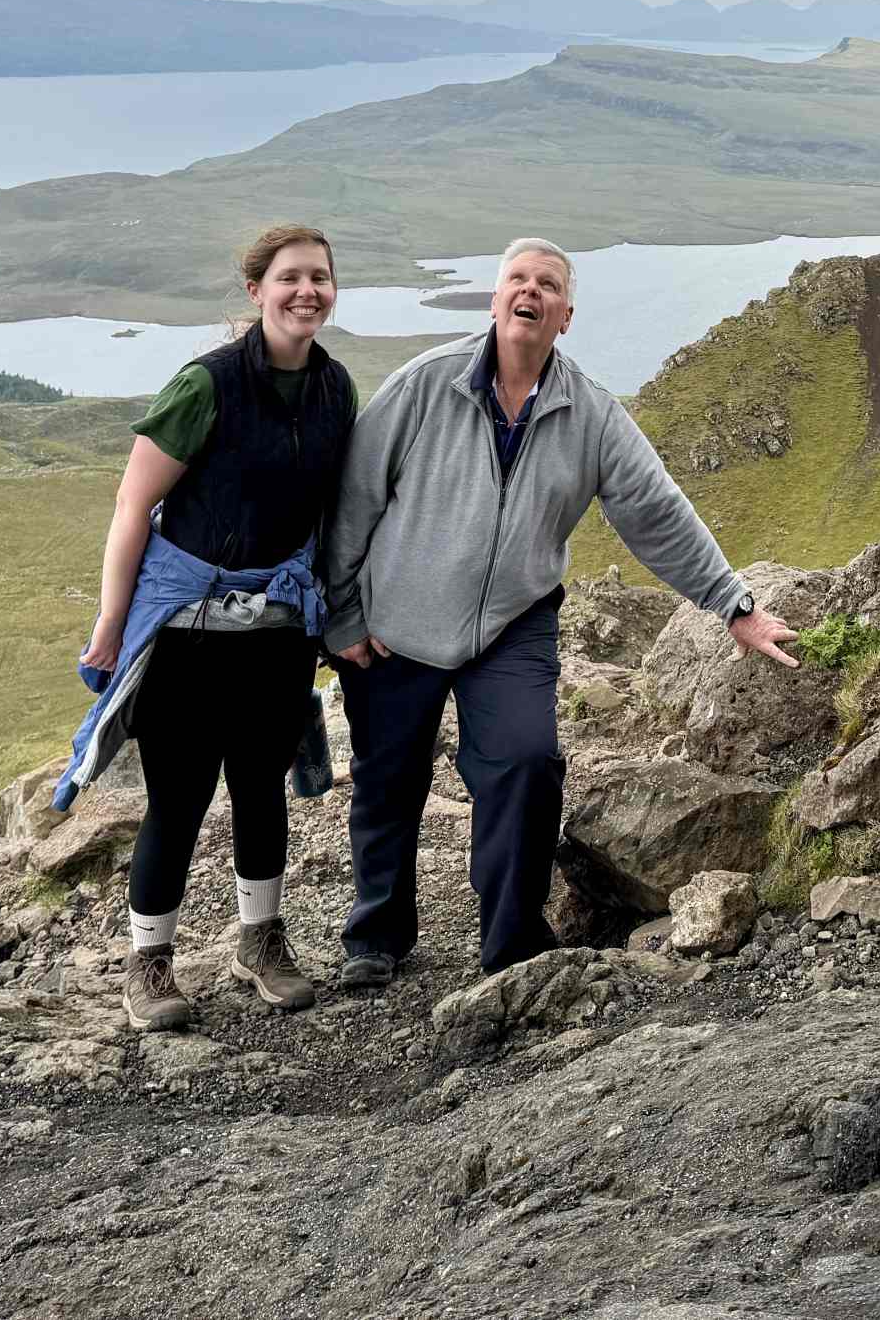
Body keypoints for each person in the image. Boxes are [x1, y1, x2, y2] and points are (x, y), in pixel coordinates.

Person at [323, 235, 797, 986]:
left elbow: (656, 511)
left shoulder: (591, 414)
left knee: (525, 762)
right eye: (517, 278)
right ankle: (376, 935)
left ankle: (510, 945)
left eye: (547, 285)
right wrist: (341, 615)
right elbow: (353, 499)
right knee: (389, 776)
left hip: (512, 624)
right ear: (495, 299)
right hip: (398, 622)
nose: (530, 292)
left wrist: (733, 604)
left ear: (565, 316)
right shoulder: (424, 385)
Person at [53, 225, 356, 1033]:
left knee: (262, 789)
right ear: (256, 289)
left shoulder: (334, 389)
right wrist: (113, 622)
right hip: (187, 632)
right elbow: (132, 504)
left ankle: (261, 942)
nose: (307, 292)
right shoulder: (206, 384)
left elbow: (330, 513)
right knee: (179, 797)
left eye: (320, 278)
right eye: (290, 277)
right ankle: (147, 963)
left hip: (276, 630)